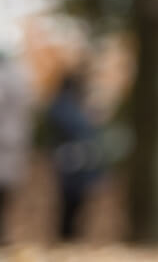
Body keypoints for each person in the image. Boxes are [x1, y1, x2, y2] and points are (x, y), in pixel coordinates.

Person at [45, 71, 103, 241]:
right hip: (70, 158)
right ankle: (66, 236)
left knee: (76, 202)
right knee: (70, 200)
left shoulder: (76, 106)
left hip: (79, 160)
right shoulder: (66, 106)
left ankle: (71, 236)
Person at [0, 34, 33, 245]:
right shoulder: (23, 75)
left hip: (4, 141)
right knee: (6, 193)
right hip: (16, 139)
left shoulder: (4, 76)